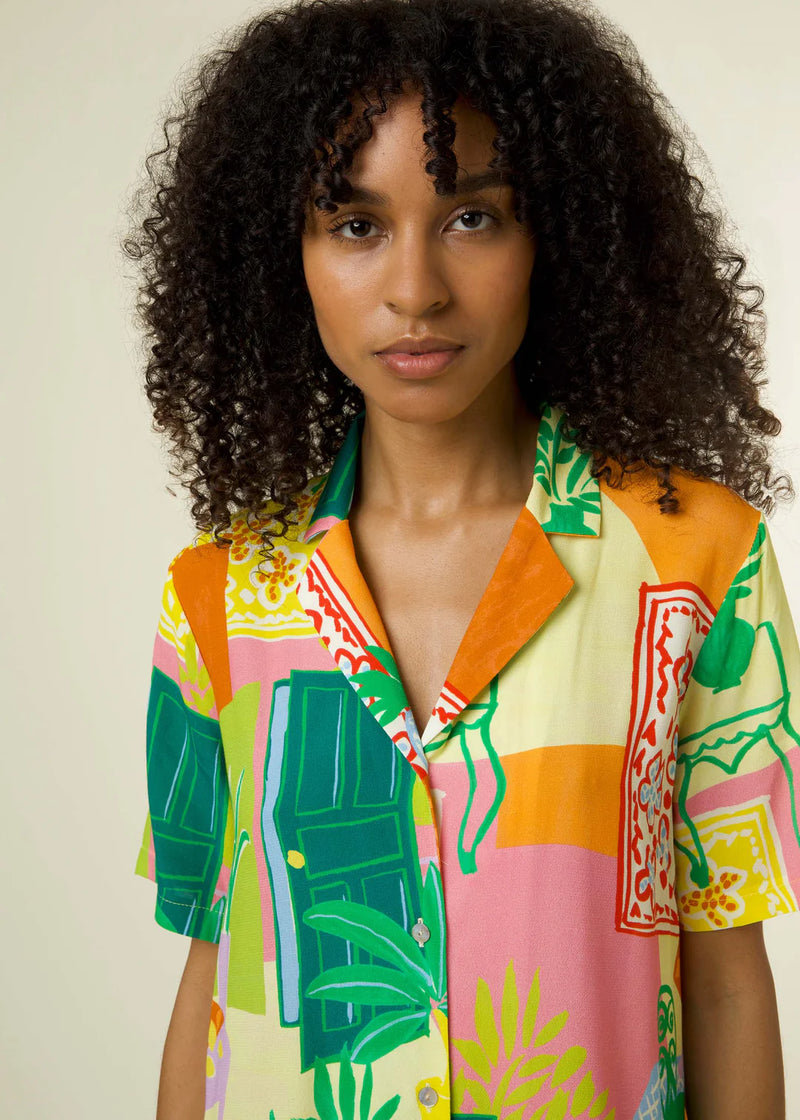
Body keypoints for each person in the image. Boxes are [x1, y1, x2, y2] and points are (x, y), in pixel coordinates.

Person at [122, 0, 800, 1118]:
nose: (415, 289)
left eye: (472, 218)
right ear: (283, 255)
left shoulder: (699, 561)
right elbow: (212, 973)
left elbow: (726, 974)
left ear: (556, 235)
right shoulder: (217, 593)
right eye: (354, 224)